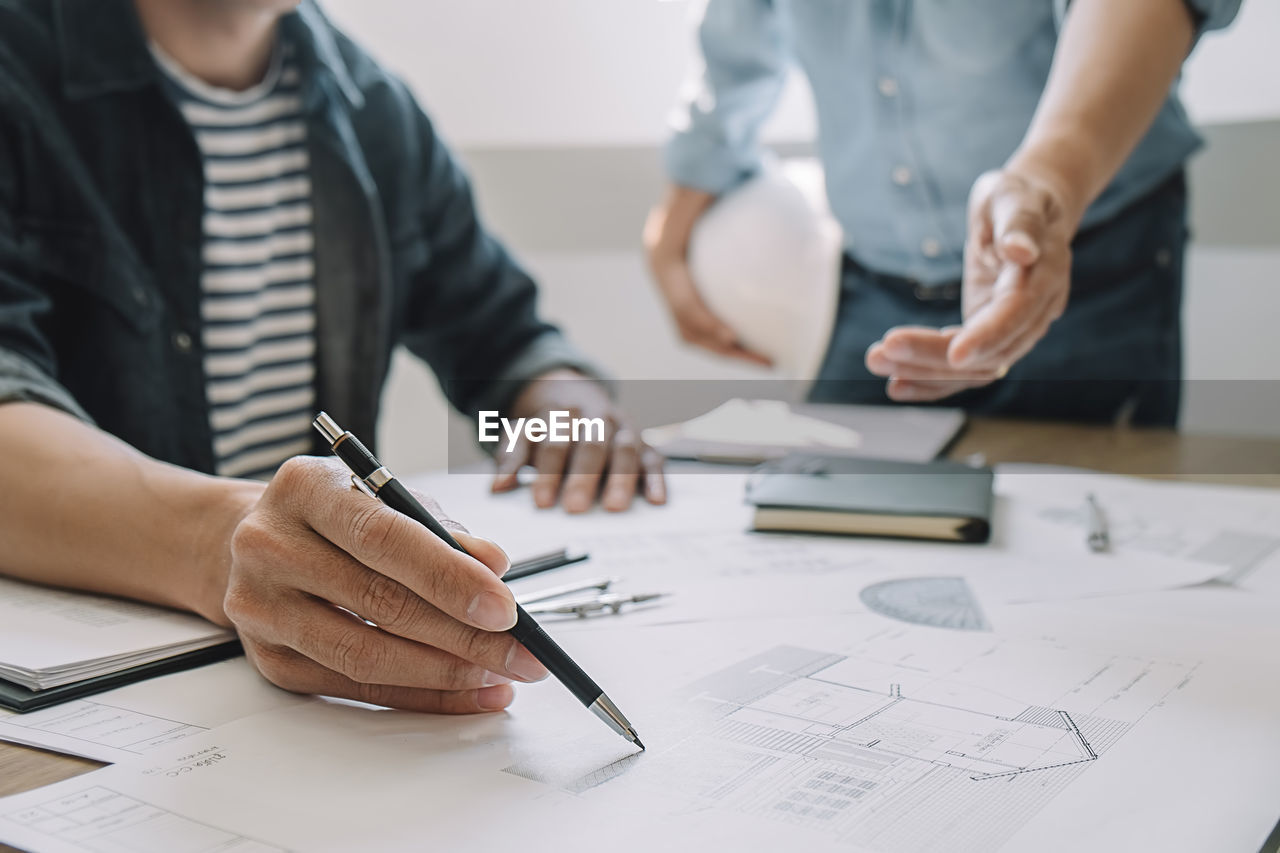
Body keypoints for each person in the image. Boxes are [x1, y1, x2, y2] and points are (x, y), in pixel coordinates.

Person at [0, 0, 664, 715]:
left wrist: (565, 401)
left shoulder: (373, 109)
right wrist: (218, 542)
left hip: (302, 689)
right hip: (90, 702)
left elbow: (503, 334)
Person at [646, 0, 1241, 424]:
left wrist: (1044, 183)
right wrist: (672, 231)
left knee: (1088, 538)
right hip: (867, 285)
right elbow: (735, 47)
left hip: (1088, 262)